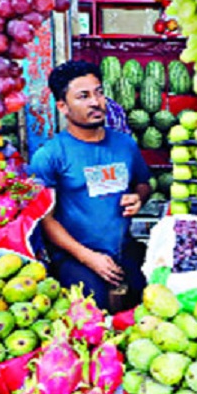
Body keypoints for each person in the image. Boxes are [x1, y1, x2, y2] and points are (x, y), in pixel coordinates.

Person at [30, 60, 151, 310]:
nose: (95, 102)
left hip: (123, 247)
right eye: (83, 96)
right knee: (92, 306)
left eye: (99, 92)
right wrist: (88, 257)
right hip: (75, 255)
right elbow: (44, 218)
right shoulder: (50, 155)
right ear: (62, 106)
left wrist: (138, 197)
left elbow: (143, 183)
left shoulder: (125, 144)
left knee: (146, 300)